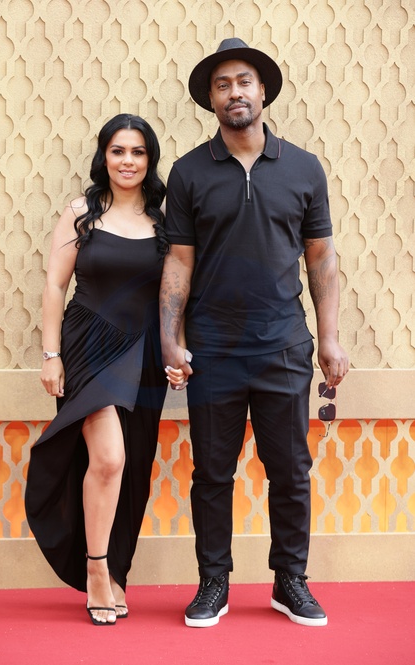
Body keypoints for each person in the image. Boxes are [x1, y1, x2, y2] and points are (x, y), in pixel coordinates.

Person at [160, 38, 349, 628]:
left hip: (284, 346)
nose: (234, 92)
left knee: (290, 471)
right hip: (213, 349)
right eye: (222, 85)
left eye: (243, 81)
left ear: (263, 90)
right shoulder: (189, 172)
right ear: (211, 99)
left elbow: (321, 257)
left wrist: (329, 337)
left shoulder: (303, 167)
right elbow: (179, 262)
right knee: (212, 474)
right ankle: (213, 582)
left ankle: (290, 580)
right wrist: (170, 337)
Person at [25, 113, 184, 626]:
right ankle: (96, 569)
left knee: (131, 467)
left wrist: (177, 351)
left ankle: (117, 572)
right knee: (110, 458)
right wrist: (50, 355)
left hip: (144, 354)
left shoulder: (165, 220)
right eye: (118, 151)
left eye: (138, 152)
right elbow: (55, 286)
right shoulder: (81, 212)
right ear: (104, 156)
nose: (128, 161)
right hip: (88, 347)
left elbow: (175, 294)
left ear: (150, 159)